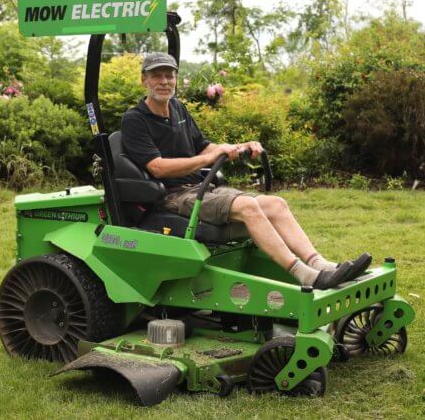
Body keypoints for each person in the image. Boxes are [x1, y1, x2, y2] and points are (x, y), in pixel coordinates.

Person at [120, 52, 371, 289]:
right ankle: (306, 277)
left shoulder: (179, 108)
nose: (164, 81)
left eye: (169, 75)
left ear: (175, 78)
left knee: (277, 204)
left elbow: (205, 146)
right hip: (173, 196)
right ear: (144, 80)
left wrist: (237, 147)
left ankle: (321, 265)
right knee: (248, 207)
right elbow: (158, 167)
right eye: (156, 76)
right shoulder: (135, 119)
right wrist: (208, 157)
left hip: (202, 187)